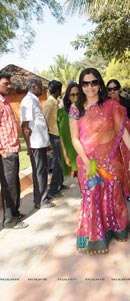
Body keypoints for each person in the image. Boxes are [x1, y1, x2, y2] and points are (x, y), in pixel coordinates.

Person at [69, 68, 130, 255]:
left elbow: (122, 130)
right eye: (85, 83)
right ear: (81, 85)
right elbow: (75, 138)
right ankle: (96, 238)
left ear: (99, 83)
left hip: (110, 160)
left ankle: (117, 230)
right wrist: (86, 161)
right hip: (88, 161)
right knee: (92, 197)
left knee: (114, 195)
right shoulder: (76, 108)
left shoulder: (110, 105)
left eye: (93, 82)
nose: (90, 87)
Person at [20, 78, 55, 209]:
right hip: (35, 144)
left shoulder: (34, 100)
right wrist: (29, 147)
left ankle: (43, 196)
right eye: (40, 87)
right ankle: (40, 200)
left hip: (40, 143)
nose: (42, 89)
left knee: (42, 171)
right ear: (34, 87)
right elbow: (25, 126)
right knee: (39, 172)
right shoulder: (28, 101)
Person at [106, 79, 130, 202]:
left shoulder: (126, 103)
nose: (112, 92)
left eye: (115, 88)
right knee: (117, 165)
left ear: (119, 89)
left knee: (128, 163)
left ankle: (128, 190)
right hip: (112, 140)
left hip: (126, 137)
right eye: (109, 89)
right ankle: (119, 190)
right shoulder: (105, 104)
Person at [0, 72, 28, 229]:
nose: (9, 86)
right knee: (9, 186)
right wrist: (2, 151)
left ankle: (15, 213)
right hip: (6, 152)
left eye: (9, 83)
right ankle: (9, 221)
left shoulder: (6, 101)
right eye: (6, 83)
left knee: (14, 184)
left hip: (13, 150)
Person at [43, 80, 69, 198]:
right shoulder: (49, 103)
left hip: (59, 135)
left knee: (60, 162)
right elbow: (45, 121)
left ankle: (60, 184)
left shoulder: (55, 101)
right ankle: (53, 190)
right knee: (57, 163)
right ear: (58, 90)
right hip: (54, 136)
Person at [57, 81, 78, 177]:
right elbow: (62, 136)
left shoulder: (86, 111)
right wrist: (65, 155)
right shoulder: (62, 113)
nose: (76, 97)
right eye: (73, 95)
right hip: (72, 154)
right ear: (68, 97)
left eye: (78, 94)